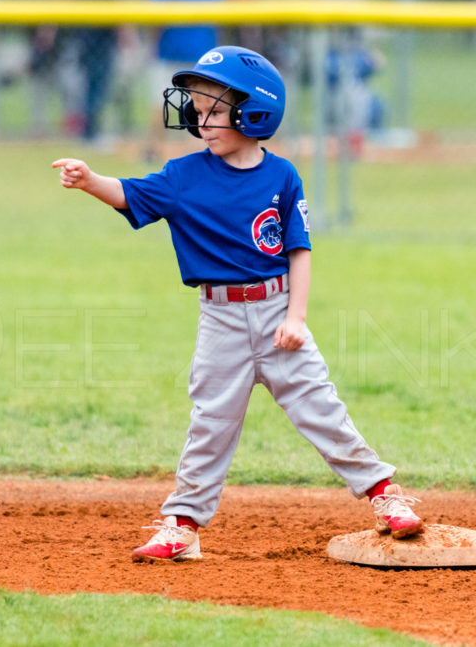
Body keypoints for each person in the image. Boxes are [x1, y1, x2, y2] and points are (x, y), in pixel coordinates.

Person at [52, 46, 422, 563]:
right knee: (210, 423)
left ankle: (386, 498)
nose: (201, 121)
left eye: (215, 111)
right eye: (197, 110)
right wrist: (90, 180)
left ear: (255, 112)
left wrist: (296, 316)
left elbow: (299, 250)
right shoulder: (182, 176)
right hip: (220, 318)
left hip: (276, 314)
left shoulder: (283, 177)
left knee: (321, 410)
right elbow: (129, 193)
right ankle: (182, 527)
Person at [144, 0, 225, 160]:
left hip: (170, 48)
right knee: (203, 103)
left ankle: (154, 148)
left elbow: (157, 14)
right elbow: (222, 11)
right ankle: (200, 150)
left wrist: (152, 42)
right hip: (203, 48)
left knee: (161, 100)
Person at [71, 0, 120, 143]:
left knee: (89, 87)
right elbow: (117, 10)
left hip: (83, 38)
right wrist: (125, 36)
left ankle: (88, 130)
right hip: (101, 40)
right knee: (97, 89)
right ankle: (91, 132)